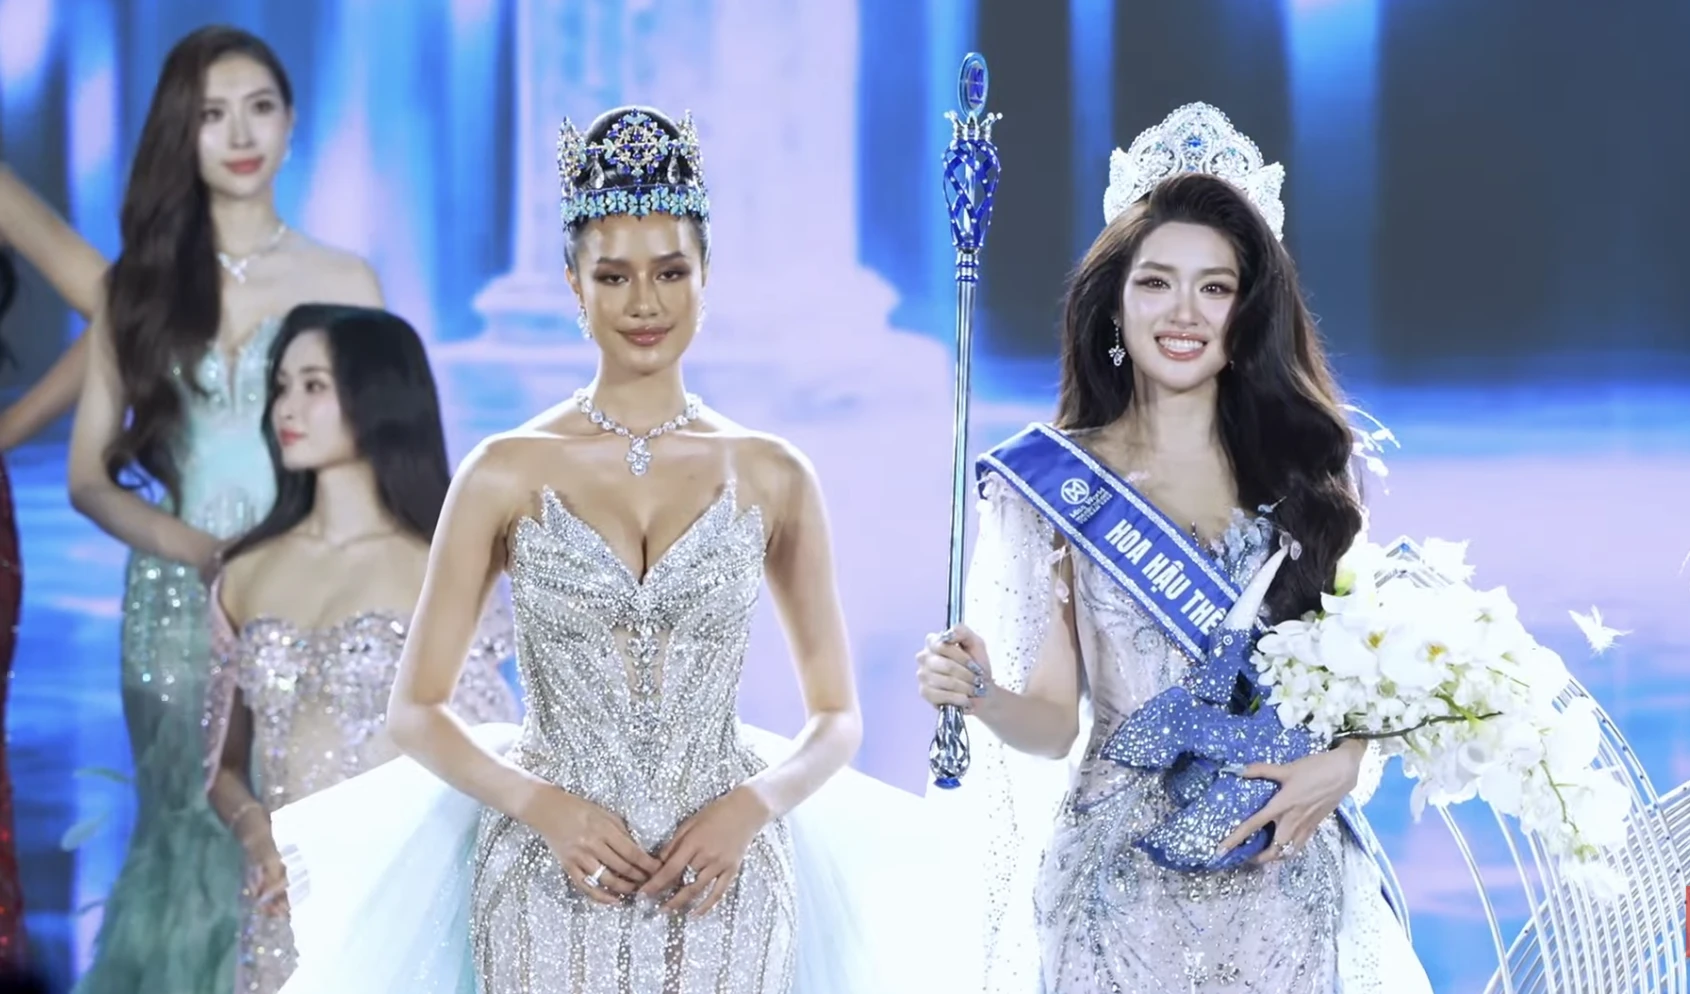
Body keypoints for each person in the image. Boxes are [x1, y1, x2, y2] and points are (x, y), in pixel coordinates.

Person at [265, 107, 938, 994]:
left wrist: (751, 807)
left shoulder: (773, 472)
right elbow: (416, 710)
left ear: (706, 276)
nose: (645, 303)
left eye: (671, 272)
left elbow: (837, 717)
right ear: (573, 285)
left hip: (724, 879)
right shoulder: (504, 470)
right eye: (613, 276)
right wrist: (542, 806)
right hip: (546, 876)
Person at [915, 104, 1432, 993]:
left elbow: (1361, 693)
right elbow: (1053, 720)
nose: (1183, 313)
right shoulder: (1055, 484)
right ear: (1116, 304)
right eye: (1156, 283)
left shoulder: (1308, 477)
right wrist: (983, 694)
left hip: (1281, 876)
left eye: (1215, 288)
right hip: (1119, 891)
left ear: (1248, 314)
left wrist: (1344, 766)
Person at [62, 26, 381, 993]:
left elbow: (384, 448)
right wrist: (198, 550)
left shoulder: (347, 282)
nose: (240, 135)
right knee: (186, 827)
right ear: (181, 133)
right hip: (176, 604)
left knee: (298, 828)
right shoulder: (138, 286)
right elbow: (87, 477)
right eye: (211, 114)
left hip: (311, 597)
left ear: (291, 122)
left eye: (259, 108)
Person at [201, 304, 518, 993]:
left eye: (314, 385)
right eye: (282, 387)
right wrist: (260, 837)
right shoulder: (245, 571)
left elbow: (488, 753)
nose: (288, 408)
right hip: (286, 902)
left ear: (378, 395)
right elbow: (220, 763)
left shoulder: (442, 566)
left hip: (402, 898)